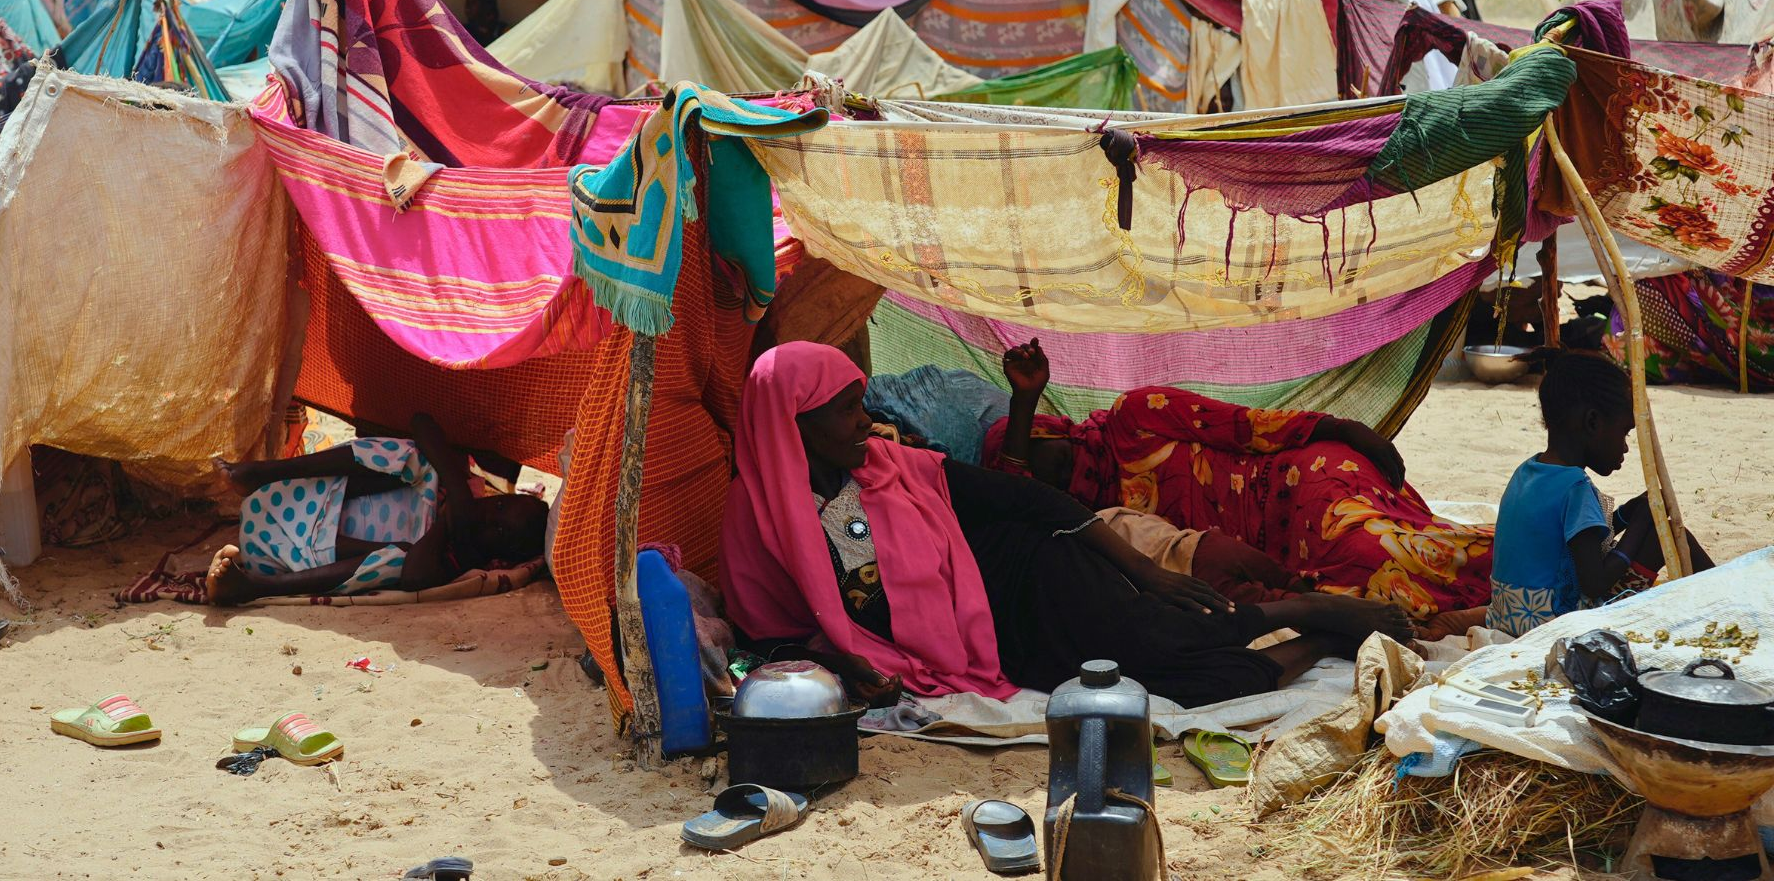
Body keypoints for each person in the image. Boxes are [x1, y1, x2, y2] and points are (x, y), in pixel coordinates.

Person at [720, 342, 1415, 708]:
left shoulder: (890, 465)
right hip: (1001, 645)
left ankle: (1303, 608)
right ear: (790, 423)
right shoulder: (755, 524)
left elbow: (1033, 503)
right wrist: (844, 660)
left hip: (1034, 577)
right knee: (1207, 685)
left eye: (856, 404)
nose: (862, 422)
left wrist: (1140, 570)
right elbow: (773, 637)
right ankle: (1324, 632)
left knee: (1168, 633)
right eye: (842, 411)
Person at [984, 340, 1494, 622]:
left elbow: (1249, 427)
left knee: (1375, 554)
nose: (1044, 473)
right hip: (1273, 549)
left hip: (1299, 480)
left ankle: (1532, 563)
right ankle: (1516, 580)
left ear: (1057, 431)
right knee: (1368, 586)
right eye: (1026, 471)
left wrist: (1345, 428)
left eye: (1038, 451)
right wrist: (1023, 403)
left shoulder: (1135, 415)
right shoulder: (1092, 530)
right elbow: (1019, 502)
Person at [203, 413, 547, 606]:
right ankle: (261, 472)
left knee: (402, 559)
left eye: (500, 531)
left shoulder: (465, 555)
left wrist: (446, 521)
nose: (490, 516)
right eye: (500, 504)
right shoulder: (461, 482)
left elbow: (415, 577)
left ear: (502, 555)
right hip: (289, 496)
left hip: (295, 554)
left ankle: (255, 587)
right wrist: (456, 490)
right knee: (417, 461)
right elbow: (422, 423)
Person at [1487, 350, 1714, 636]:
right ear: (1593, 423)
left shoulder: (1528, 471)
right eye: (1624, 432)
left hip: (1511, 614)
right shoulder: (1575, 487)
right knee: (1660, 535)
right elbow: (1595, 582)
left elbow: (1574, 544)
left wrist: (1624, 516)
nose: (1625, 447)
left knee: (1650, 531)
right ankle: (1729, 594)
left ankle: (1726, 589)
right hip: (1553, 625)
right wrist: (1642, 524)